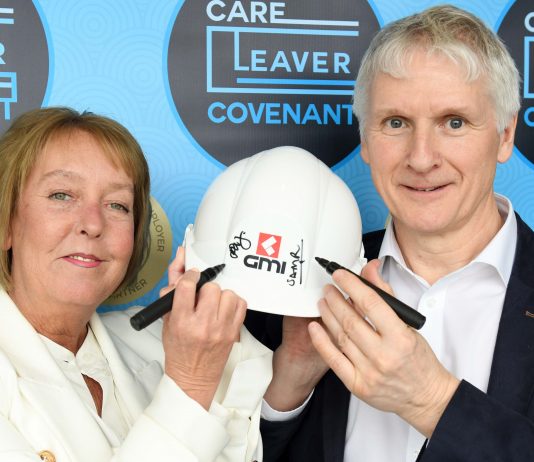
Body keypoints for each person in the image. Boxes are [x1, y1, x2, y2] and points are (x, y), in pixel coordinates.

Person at [251, 5, 534, 461]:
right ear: (365, 138)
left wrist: (432, 401)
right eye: (396, 123)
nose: (421, 158)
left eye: (454, 122)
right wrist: (289, 391)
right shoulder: (300, 286)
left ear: (505, 135)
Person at [0, 107, 272, 461]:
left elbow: (242, 432)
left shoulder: (157, 341)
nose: (93, 224)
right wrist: (189, 385)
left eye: (117, 205)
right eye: (61, 195)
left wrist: (299, 363)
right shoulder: (185, 362)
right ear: (7, 224)